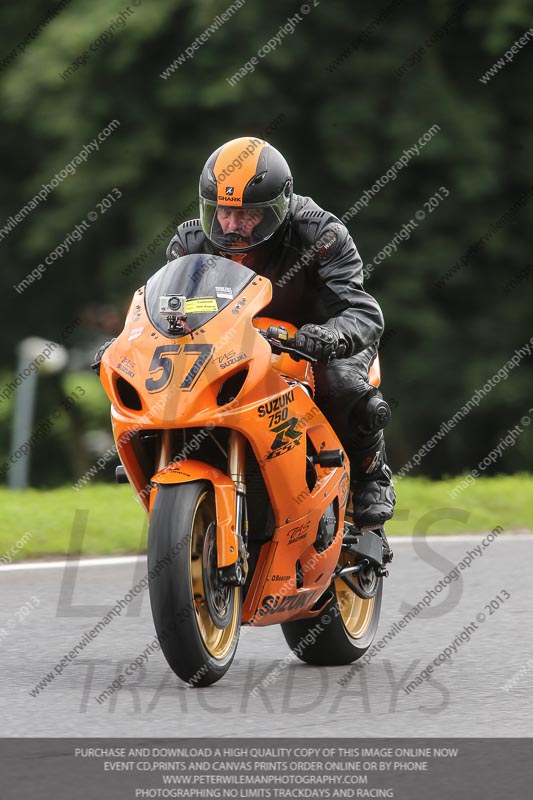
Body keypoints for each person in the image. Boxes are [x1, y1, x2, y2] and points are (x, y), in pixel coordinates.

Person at [164, 136, 396, 527]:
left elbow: (363, 311)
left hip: (316, 340)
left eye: (247, 215)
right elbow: (165, 311)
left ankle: (372, 476)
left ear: (278, 207)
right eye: (223, 212)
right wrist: (128, 340)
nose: (232, 225)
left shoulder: (320, 235)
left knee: (340, 382)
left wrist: (330, 336)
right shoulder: (189, 243)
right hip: (235, 344)